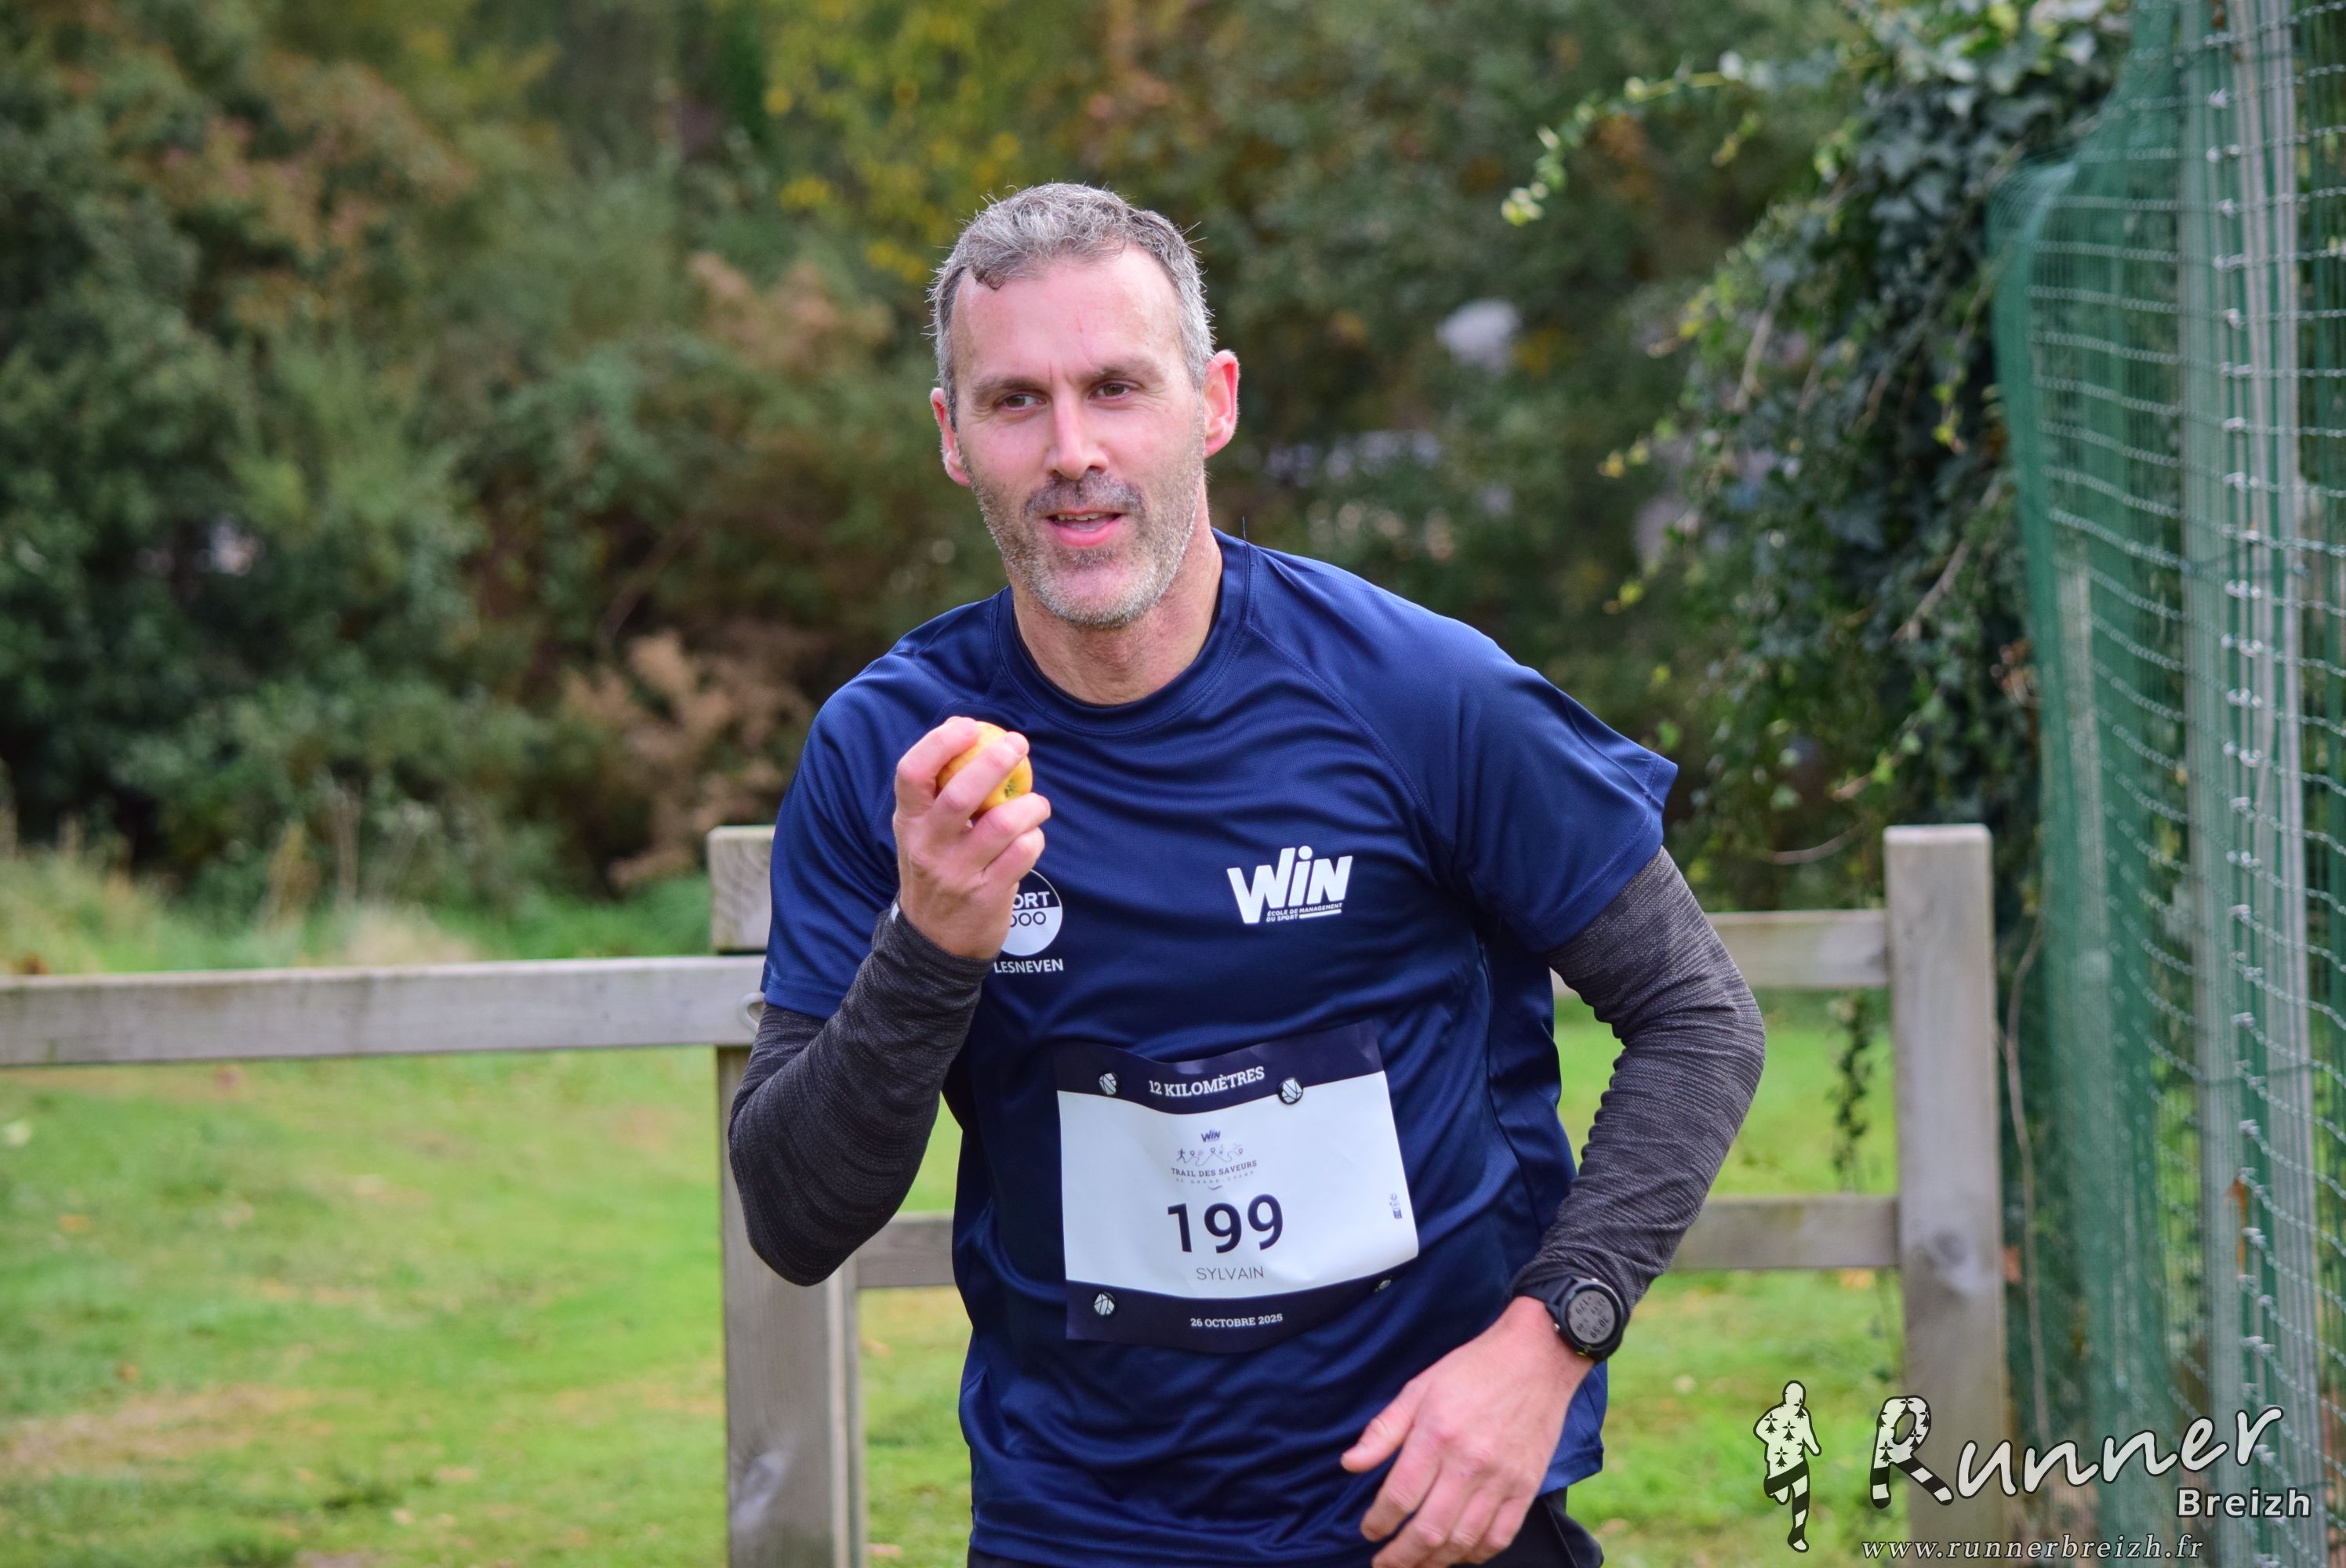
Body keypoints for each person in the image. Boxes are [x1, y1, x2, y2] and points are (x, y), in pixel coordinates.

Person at [728, 182, 1765, 1568]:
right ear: (953, 438)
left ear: (1211, 403)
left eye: (1117, 387)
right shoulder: (897, 753)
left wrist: (1552, 1338)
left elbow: (1700, 1016)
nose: (1074, 451)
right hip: (1078, 1528)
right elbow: (797, 1219)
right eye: (1017, 402)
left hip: (1430, 1508)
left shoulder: (1422, 696)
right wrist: (928, 951)